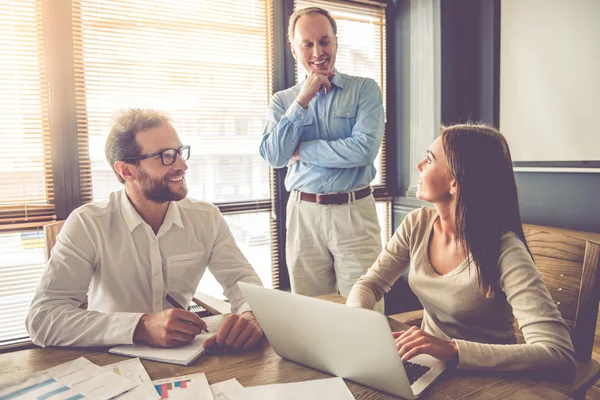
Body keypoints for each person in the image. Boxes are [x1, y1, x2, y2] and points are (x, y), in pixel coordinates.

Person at [346, 123, 577, 373]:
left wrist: (453, 350)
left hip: (488, 378)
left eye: (429, 160)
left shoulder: (505, 250)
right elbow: (370, 284)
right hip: (426, 366)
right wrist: (359, 323)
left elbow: (558, 353)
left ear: (454, 182)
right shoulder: (417, 223)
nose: (418, 166)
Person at [26, 108, 264, 350]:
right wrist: (140, 327)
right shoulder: (88, 223)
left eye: (180, 152)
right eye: (165, 156)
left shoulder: (206, 217)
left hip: (185, 356)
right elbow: (42, 319)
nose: (182, 165)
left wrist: (251, 313)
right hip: (109, 359)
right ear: (127, 171)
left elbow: (240, 279)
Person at [259, 7, 385, 308]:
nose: (318, 52)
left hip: (355, 214)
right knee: (311, 312)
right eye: (307, 44)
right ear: (294, 49)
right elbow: (275, 155)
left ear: (336, 42)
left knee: (364, 313)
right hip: (304, 214)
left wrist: (302, 150)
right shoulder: (284, 101)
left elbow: (364, 149)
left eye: (325, 41)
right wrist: (303, 99)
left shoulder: (365, 90)